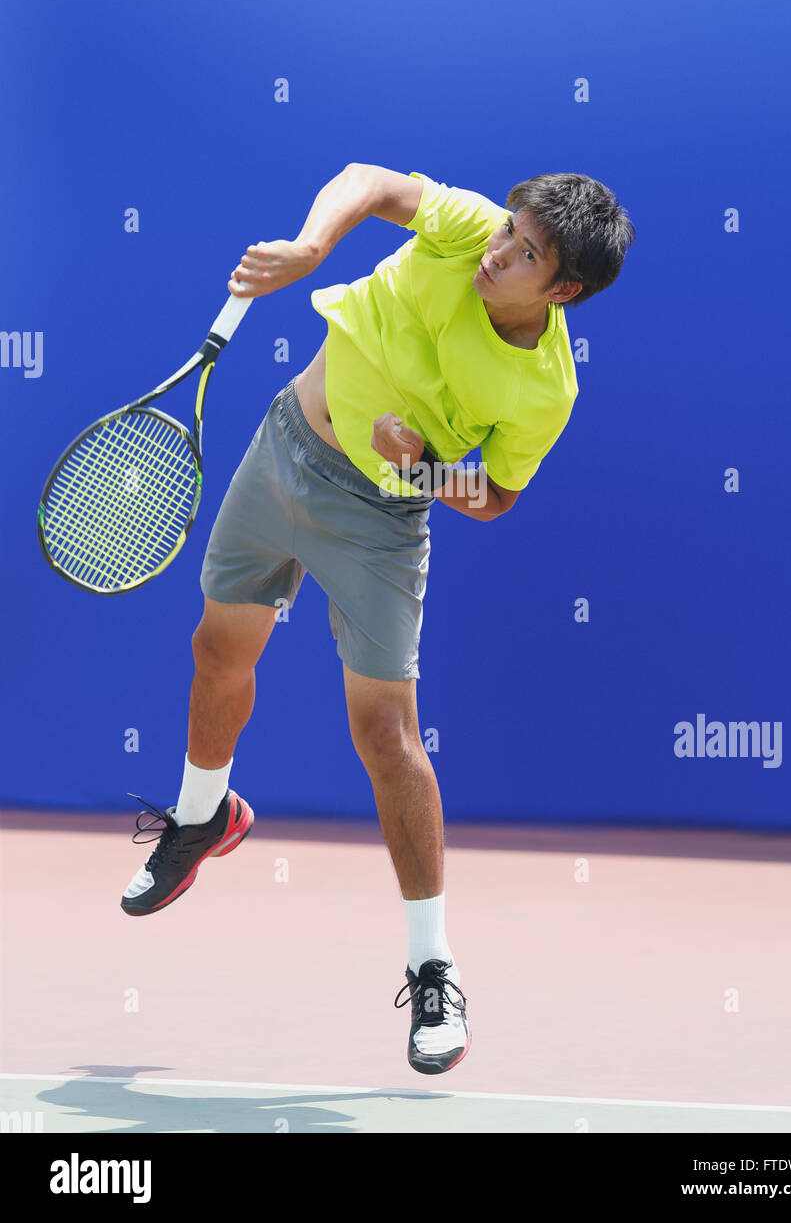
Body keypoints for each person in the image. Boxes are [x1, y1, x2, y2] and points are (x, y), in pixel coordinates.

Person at [119, 163, 635, 1074]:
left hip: (382, 519)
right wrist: (313, 247)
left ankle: (433, 969)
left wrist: (424, 469)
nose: (497, 252)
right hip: (283, 448)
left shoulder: (545, 391)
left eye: (525, 255)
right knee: (217, 650)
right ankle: (202, 818)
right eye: (507, 230)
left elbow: (498, 496)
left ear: (563, 291)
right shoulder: (466, 231)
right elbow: (368, 180)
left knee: (387, 737)